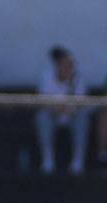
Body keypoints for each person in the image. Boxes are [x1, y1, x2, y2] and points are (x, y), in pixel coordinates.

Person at [36, 47, 91, 175]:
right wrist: (58, 109)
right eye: (65, 65)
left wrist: (68, 110)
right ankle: (47, 160)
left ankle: (78, 161)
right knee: (42, 117)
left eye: (71, 65)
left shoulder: (78, 78)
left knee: (83, 117)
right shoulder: (47, 76)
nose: (69, 68)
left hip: (72, 115)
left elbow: (79, 103)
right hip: (53, 115)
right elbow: (44, 101)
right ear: (58, 65)